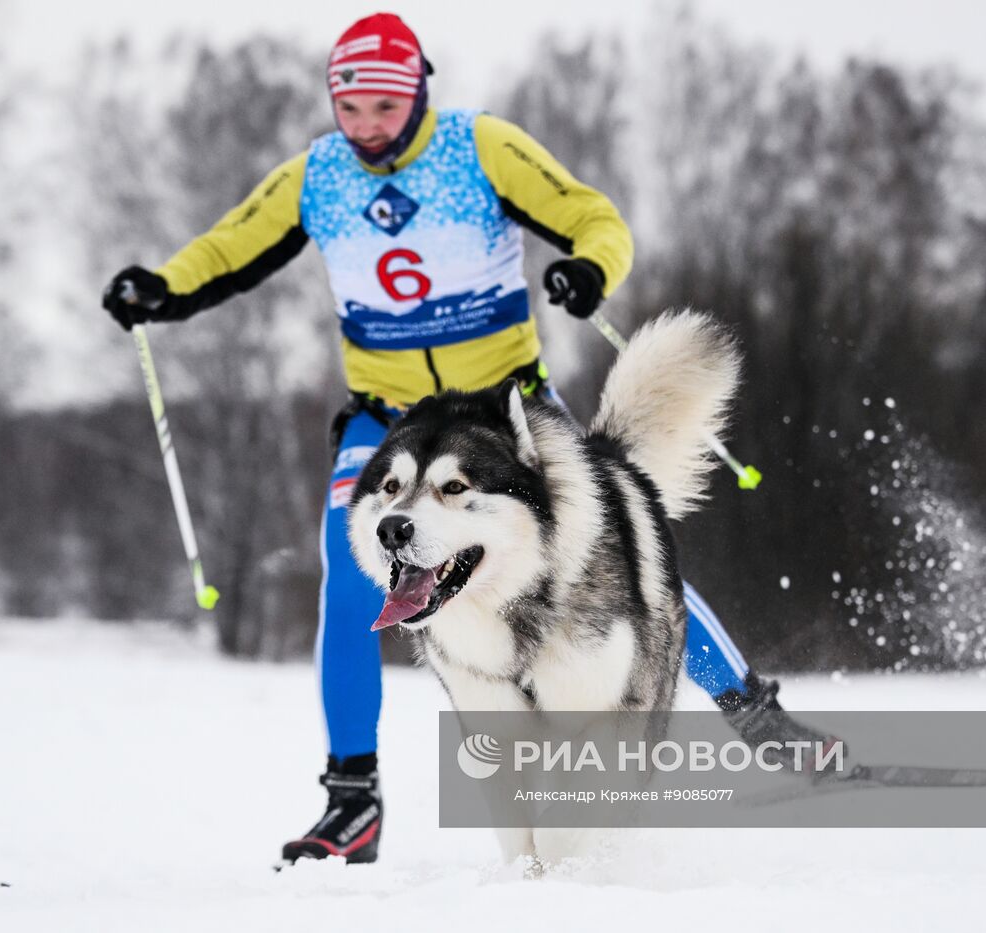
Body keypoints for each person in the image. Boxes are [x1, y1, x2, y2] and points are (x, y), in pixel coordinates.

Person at [102, 13, 832, 867]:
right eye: (350, 109)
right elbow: (231, 250)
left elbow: (595, 218)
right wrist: (159, 287)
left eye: (383, 106)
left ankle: (754, 712)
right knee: (350, 579)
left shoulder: (478, 149)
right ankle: (351, 800)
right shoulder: (317, 176)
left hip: (503, 412)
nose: (366, 127)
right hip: (388, 420)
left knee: (627, 560)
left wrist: (588, 266)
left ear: (418, 90)